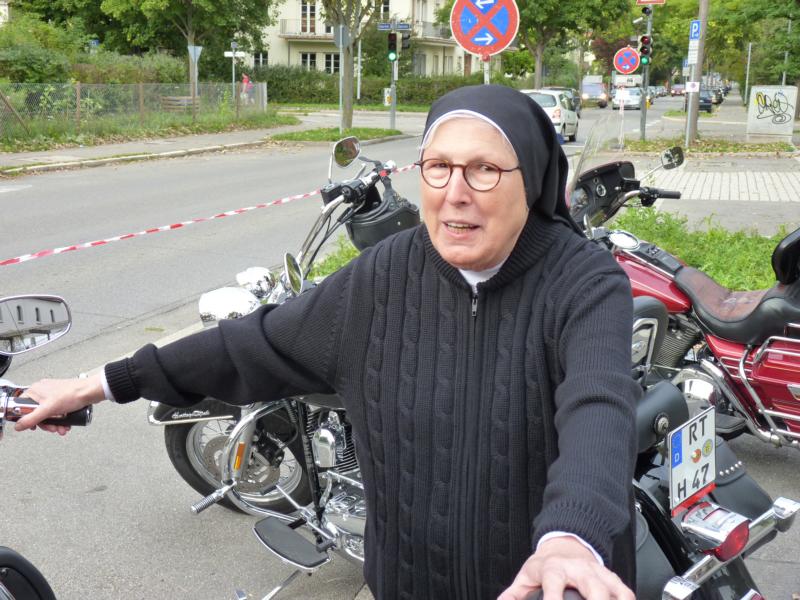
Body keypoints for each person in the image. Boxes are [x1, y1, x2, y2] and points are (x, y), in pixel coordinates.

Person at [17, 85, 639, 600]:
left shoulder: (583, 281)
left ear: (530, 178)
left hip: (549, 584)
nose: (456, 192)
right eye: (439, 166)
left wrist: (570, 538)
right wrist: (98, 383)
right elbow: (249, 346)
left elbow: (599, 411)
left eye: (484, 169)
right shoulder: (386, 274)